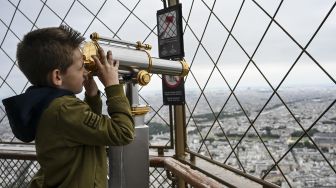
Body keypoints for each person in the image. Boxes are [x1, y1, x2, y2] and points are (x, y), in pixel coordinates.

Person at [2, 25, 135, 188]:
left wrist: (92, 97)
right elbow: (122, 132)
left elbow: (86, 132)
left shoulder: (48, 105)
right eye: (81, 68)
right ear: (58, 76)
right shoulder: (64, 109)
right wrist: (113, 86)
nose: (86, 72)